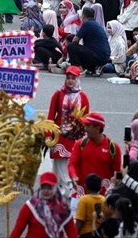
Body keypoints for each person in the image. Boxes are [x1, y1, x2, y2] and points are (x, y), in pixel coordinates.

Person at [47, 65, 90, 193]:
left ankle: (65, 194)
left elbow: (86, 119)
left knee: (71, 167)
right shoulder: (58, 95)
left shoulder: (83, 97)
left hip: (76, 138)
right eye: (68, 78)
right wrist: (48, 135)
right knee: (60, 169)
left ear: (78, 79)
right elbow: (50, 117)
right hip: (60, 138)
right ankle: (64, 193)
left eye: (73, 78)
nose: (70, 81)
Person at [10, 171, 77, 238]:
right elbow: (17, 230)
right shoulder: (30, 206)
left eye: (49, 188)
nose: (46, 191)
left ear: (55, 188)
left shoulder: (63, 208)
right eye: (43, 187)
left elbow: (72, 233)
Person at [68, 112, 122, 195]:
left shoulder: (114, 148)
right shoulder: (80, 144)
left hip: (103, 196)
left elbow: (117, 173)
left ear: (97, 128)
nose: (85, 129)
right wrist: (73, 176)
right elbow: (72, 164)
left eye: (88, 126)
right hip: (80, 194)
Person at [67, 7, 111, 76]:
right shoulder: (96, 24)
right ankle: (92, 69)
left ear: (83, 16)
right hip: (104, 56)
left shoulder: (87, 24)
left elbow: (75, 40)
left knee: (71, 47)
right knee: (81, 50)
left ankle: (77, 69)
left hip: (97, 56)